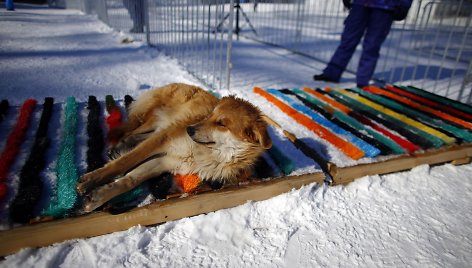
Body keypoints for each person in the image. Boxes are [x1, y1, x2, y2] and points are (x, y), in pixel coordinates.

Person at [314, 0, 412, 88]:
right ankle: (331, 73)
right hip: (360, 4)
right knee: (347, 41)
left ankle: (362, 80)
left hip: (385, 6)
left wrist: (405, 4)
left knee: (372, 46)